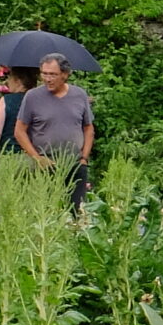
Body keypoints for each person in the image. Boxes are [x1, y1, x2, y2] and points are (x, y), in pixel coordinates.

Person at [12, 53, 95, 214]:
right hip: (46, 165)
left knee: (76, 212)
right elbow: (19, 131)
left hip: (75, 164)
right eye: (44, 73)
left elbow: (88, 128)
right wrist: (37, 158)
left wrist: (84, 157)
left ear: (65, 74)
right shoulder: (33, 97)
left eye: (53, 74)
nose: (48, 79)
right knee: (45, 214)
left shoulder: (79, 95)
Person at [0, 66, 37, 159]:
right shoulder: (38, 101)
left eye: (9, 78)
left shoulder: (6, 100)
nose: (7, 82)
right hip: (34, 158)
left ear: (18, 81)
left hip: (9, 157)